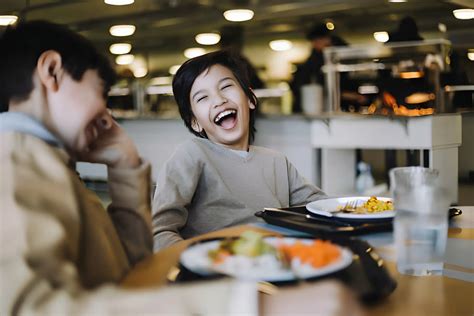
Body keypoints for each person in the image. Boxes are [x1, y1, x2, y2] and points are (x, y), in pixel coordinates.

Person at [0, 20, 262, 315]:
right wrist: (251, 305)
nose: (105, 111)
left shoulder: (45, 164)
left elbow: (129, 272)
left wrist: (125, 166)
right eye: (100, 92)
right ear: (52, 71)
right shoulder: (13, 169)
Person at [152, 50, 327, 251]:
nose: (219, 100)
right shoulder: (192, 154)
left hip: (277, 264)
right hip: (220, 272)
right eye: (202, 98)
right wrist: (196, 263)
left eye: (226, 87)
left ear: (251, 99)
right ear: (195, 122)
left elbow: (321, 208)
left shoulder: (277, 162)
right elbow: (160, 231)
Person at [290, 22, 367, 113]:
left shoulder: (338, 56)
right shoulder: (315, 61)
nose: (316, 44)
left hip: (342, 107)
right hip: (329, 107)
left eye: (318, 40)